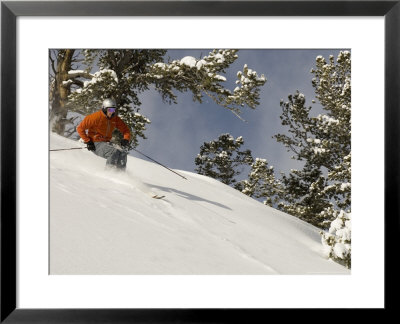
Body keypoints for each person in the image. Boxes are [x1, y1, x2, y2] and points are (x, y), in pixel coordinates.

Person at [77, 98, 131, 170]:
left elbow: (126, 130)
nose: (112, 112)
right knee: (113, 151)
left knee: (123, 152)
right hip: (95, 143)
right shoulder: (95, 117)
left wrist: (126, 139)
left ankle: (120, 173)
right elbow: (80, 128)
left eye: (113, 110)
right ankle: (109, 172)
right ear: (104, 108)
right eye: (110, 110)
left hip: (107, 143)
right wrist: (88, 141)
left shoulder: (115, 119)